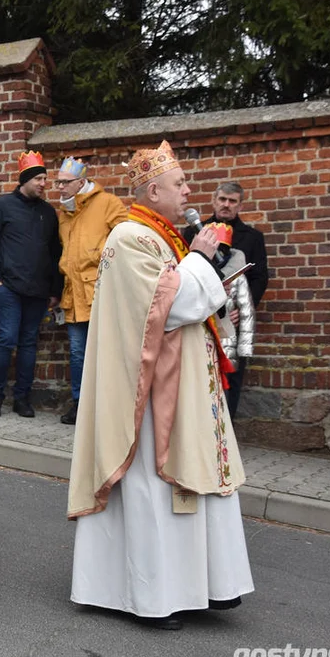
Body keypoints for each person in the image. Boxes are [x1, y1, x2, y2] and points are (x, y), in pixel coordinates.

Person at [66, 140, 253, 631]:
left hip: (183, 380)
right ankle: (154, 596)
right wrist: (198, 259)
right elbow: (161, 308)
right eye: (180, 184)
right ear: (153, 190)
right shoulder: (129, 237)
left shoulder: (164, 235)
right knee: (152, 483)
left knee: (193, 478)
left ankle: (200, 586)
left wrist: (200, 266)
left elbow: (182, 296)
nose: (189, 191)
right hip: (147, 393)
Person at [0, 151, 61, 418]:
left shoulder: (48, 213)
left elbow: (55, 251)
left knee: (28, 344)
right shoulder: (1, 206)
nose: (43, 183)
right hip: (9, 288)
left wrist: (54, 289)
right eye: (38, 178)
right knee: (6, 340)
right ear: (25, 179)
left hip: (38, 291)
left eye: (45, 179)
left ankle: (22, 399)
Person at [182, 182, 269, 416]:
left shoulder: (252, 238)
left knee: (232, 372)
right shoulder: (193, 232)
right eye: (222, 199)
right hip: (200, 315)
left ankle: (227, 426)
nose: (226, 205)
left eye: (232, 201)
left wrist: (241, 310)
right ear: (214, 200)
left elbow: (259, 278)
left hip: (233, 317)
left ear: (240, 205)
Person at [55, 157, 127, 425]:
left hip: (100, 291)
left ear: (81, 182)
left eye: (65, 182)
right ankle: (80, 404)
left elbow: (126, 237)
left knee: (106, 352)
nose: (59, 187)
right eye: (58, 182)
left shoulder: (107, 203)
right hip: (73, 294)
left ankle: (108, 407)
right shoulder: (65, 212)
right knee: (77, 353)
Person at [205, 223, 255, 409]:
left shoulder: (237, 276)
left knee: (229, 386)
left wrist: (245, 348)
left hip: (229, 340)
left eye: (222, 249)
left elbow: (247, 312)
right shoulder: (200, 273)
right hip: (206, 338)